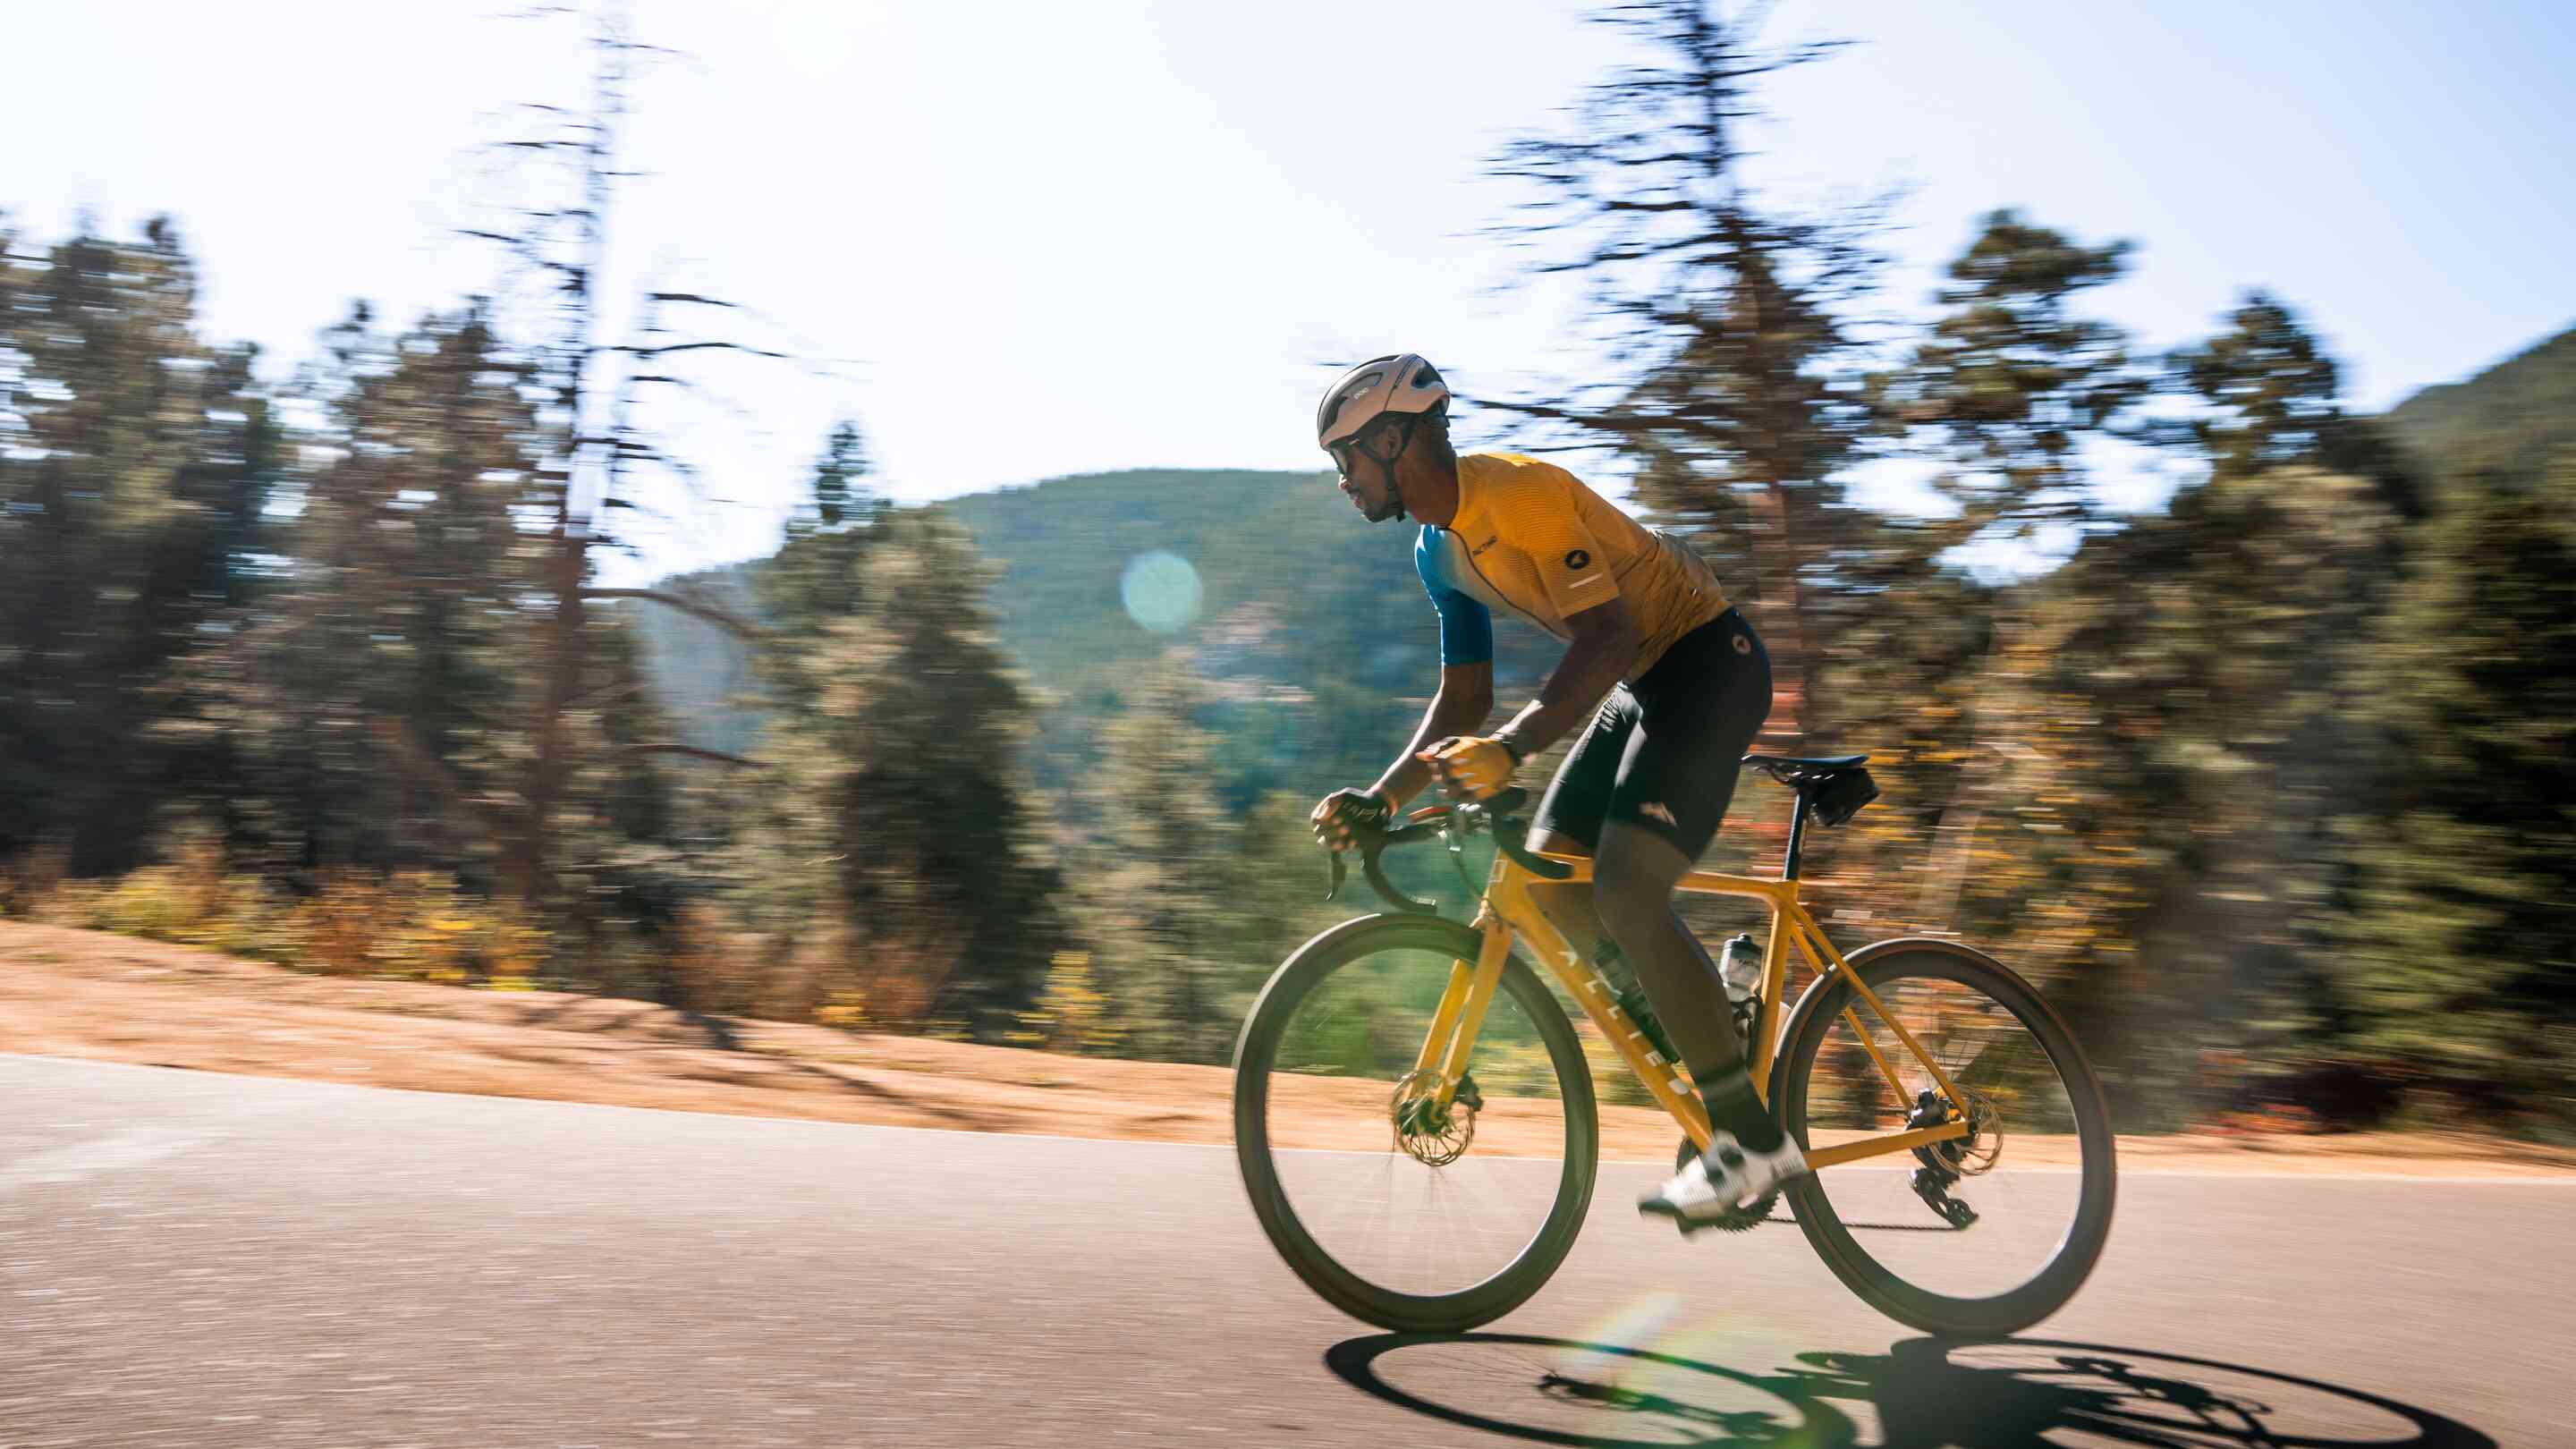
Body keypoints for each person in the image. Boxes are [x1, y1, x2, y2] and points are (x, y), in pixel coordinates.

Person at [1305, 352, 1808, 1227]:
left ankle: (1751, 1140)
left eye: (1346, 459)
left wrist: (1513, 749)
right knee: (1551, 881)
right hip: (1643, 683)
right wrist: (1382, 801)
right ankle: (1713, 1042)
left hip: (1705, 664)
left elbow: (1608, 636)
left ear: (1393, 440)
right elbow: (1463, 699)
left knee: (1625, 889)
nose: (1343, 482)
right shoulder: (1438, 551)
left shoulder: (1522, 493)